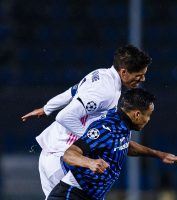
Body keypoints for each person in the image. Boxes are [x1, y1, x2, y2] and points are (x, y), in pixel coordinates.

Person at [21, 45, 152, 197]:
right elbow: (64, 116)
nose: (142, 79)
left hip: (54, 152)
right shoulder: (105, 91)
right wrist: (93, 139)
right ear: (123, 72)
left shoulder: (101, 74)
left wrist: (47, 108)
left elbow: (73, 90)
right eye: (139, 75)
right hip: (60, 155)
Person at [47, 88, 177, 200]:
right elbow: (69, 154)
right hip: (72, 194)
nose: (149, 119)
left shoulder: (122, 126)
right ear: (137, 114)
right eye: (148, 115)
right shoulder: (106, 128)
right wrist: (90, 163)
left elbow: (125, 145)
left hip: (92, 196)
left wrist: (160, 155)